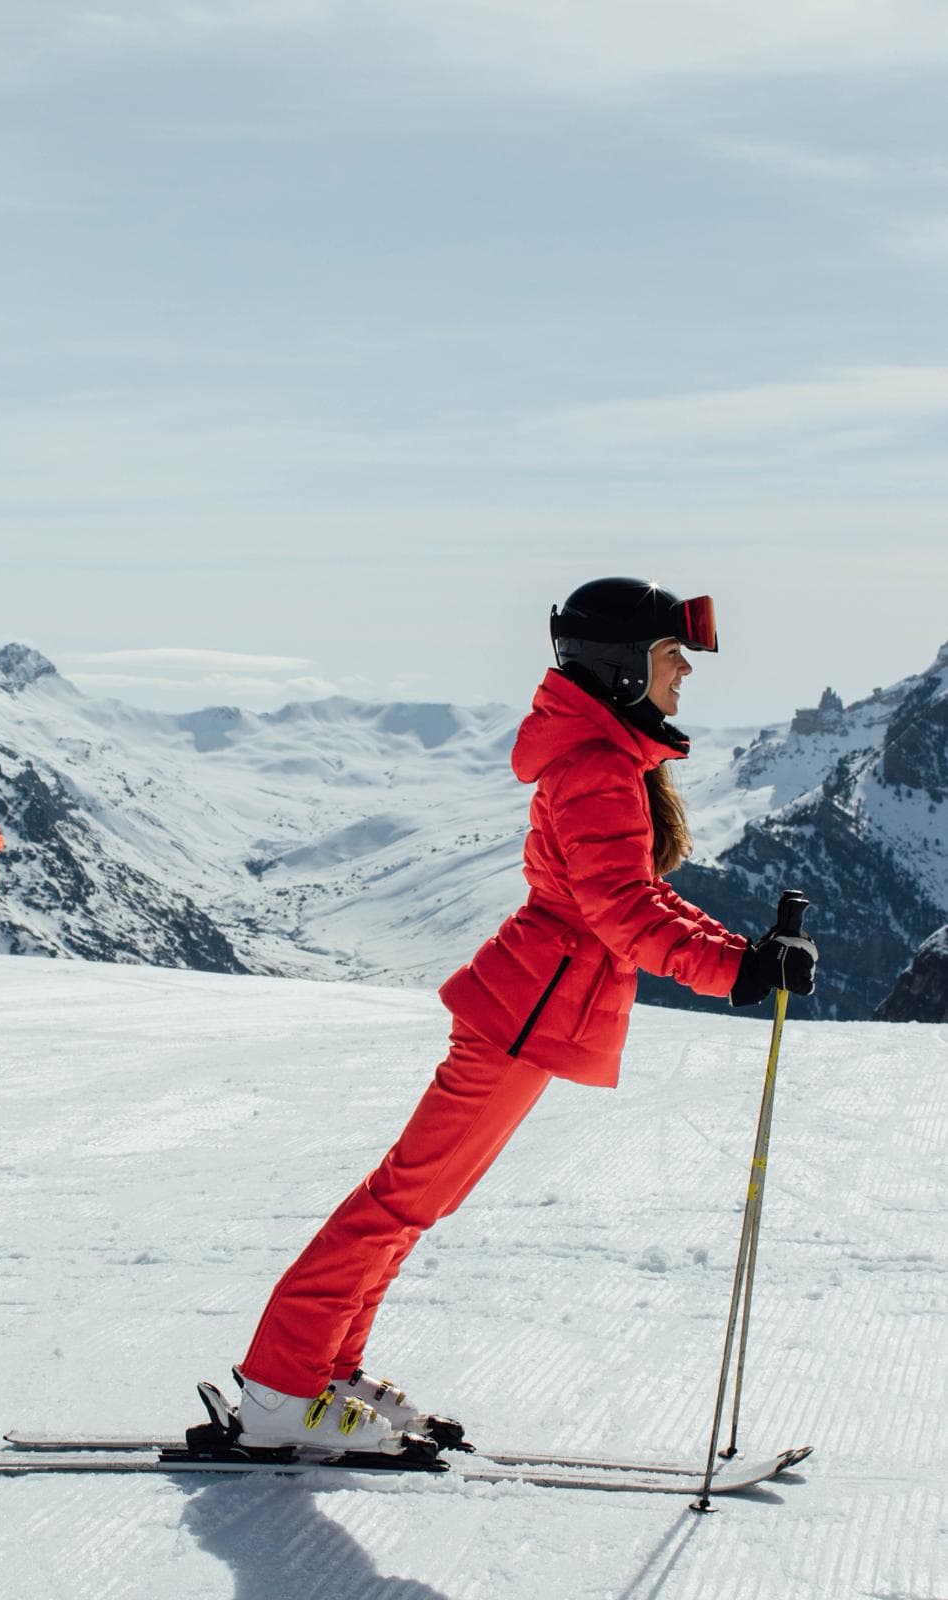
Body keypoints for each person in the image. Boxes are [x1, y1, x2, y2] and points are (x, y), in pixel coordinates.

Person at [231, 577, 818, 1457]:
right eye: (670, 656)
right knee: (397, 1202)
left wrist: (744, 951)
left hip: (531, 1011)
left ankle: (319, 1368)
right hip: (521, 1015)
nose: (685, 672)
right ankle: (279, 1387)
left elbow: (636, 897)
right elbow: (621, 911)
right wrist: (734, 969)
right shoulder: (595, 770)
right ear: (622, 667)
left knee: (411, 1204)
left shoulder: (610, 763)